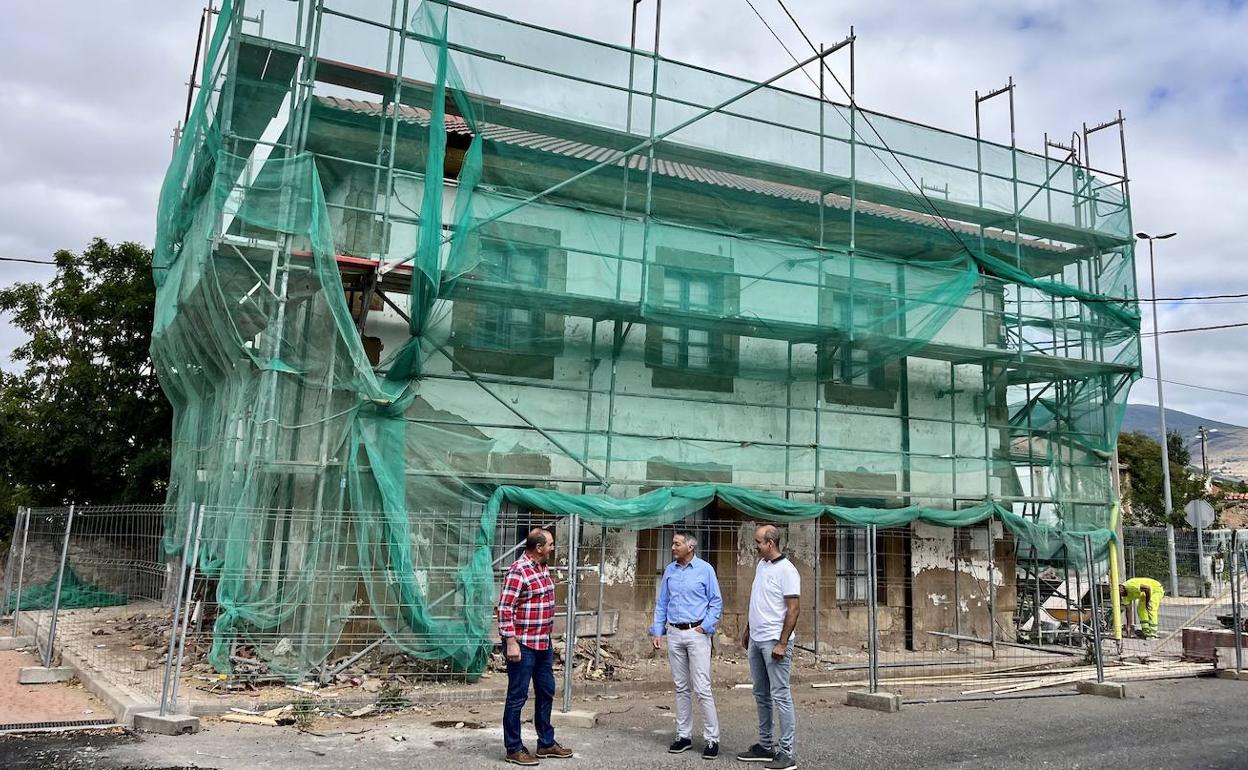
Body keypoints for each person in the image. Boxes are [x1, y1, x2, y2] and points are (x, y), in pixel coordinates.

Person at [498, 527, 574, 765]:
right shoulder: (518, 571)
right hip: (523, 644)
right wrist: (511, 641)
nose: (553, 547)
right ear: (539, 547)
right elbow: (504, 608)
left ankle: (546, 743)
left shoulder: (542, 568)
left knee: (546, 691)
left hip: (543, 643)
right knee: (517, 696)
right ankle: (513, 748)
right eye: (550, 544)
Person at [649, 531, 724, 759]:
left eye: (677, 543)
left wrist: (707, 626)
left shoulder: (705, 569)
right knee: (681, 687)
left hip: (697, 633)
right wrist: (658, 630)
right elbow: (662, 602)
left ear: (690, 547)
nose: (672, 547)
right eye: (673, 543)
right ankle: (684, 736)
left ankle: (712, 739)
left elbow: (716, 601)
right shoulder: (670, 571)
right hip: (674, 632)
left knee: (702, 687)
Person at [736, 524, 799, 770]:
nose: (755, 546)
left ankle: (786, 753)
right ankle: (765, 746)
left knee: (781, 695)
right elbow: (758, 599)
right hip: (757, 639)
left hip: (775, 642)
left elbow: (794, 609)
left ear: (770, 543)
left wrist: (783, 643)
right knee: (761, 693)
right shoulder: (762, 566)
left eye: (758, 542)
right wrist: (749, 630)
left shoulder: (788, 571)